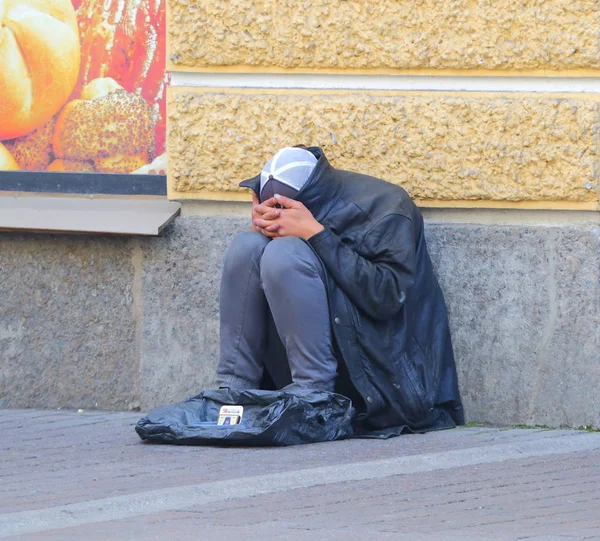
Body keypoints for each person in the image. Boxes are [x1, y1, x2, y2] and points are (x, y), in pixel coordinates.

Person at [215, 146, 464, 434]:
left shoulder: (385, 206)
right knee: (246, 247)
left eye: (281, 209)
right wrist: (261, 229)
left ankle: (314, 399)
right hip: (297, 366)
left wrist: (315, 233)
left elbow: (386, 298)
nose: (276, 216)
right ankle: (233, 395)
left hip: (380, 380)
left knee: (285, 254)